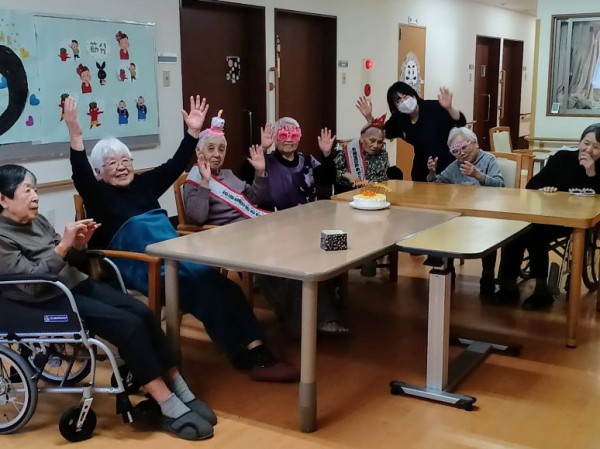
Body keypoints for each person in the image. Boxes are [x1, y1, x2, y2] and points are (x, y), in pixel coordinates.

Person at [64, 96, 299, 383]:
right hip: (144, 266)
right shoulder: (98, 196)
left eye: (126, 160)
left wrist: (193, 133)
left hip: (176, 256)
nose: (122, 167)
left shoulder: (144, 184)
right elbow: (81, 175)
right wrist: (76, 135)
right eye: (112, 163)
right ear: (99, 172)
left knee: (225, 287)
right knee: (204, 290)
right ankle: (243, 355)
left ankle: (256, 349)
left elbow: (175, 165)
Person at [0, 165, 216, 441]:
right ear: (3, 199)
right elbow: (32, 284)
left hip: (73, 284)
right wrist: (63, 247)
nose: (35, 196)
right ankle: (167, 405)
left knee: (142, 312)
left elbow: (69, 259)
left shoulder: (37, 221)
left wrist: (79, 245)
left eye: (35, 189)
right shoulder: (2, 237)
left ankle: (180, 389)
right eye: (27, 190)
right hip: (46, 300)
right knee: (128, 326)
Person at [244, 118, 349, 336]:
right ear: (275, 138)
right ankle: (311, 321)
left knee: (329, 252)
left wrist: (327, 155)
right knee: (296, 262)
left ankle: (322, 309)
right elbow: (247, 180)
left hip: (307, 225)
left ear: (299, 137)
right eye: (283, 135)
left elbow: (327, 178)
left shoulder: (307, 160)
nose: (289, 140)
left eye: (293, 135)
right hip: (274, 229)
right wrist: (263, 148)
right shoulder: (265, 161)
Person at [496, 123, 600, 310]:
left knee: (535, 234)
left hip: (577, 222)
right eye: (586, 143)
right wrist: (544, 188)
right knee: (517, 230)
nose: (588, 150)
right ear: (580, 142)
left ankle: (541, 289)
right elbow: (532, 185)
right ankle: (508, 284)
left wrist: (591, 173)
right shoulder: (562, 158)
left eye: (596, 147)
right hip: (550, 216)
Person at [427, 126, 504, 296]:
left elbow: (501, 185)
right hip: (460, 215)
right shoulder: (455, 165)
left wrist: (478, 175)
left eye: (464, 147)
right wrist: (432, 173)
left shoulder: (489, 159)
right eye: (455, 151)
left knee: (489, 231)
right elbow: (438, 185)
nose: (461, 153)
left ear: (475, 143)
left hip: (485, 213)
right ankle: (447, 270)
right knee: (443, 225)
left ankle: (488, 275)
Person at [357, 83, 467, 182]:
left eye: (405, 96)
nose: (403, 101)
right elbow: (381, 133)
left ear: (413, 94)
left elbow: (461, 122)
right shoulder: (399, 119)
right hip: (421, 170)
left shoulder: (433, 107)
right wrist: (369, 117)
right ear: (395, 106)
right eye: (398, 100)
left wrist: (449, 108)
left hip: (447, 165)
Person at [183, 113, 269, 226]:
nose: (217, 154)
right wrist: (205, 182)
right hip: (226, 233)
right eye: (211, 148)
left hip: (250, 225)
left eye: (221, 149)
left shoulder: (228, 174)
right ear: (199, 151)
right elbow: (198, 219)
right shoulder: (194, 181)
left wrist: (260, 172)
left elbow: (255, 199)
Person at [334, 113, 390, 194]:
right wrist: (346, 174)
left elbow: (383, 179)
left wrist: (371, 183)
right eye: (372, 141)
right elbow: (333, 173)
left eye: (380, 142)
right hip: (350, 194)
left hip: (375, 194)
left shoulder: (382, 154)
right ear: (362, 139)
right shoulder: (348, 151)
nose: (375, 145)